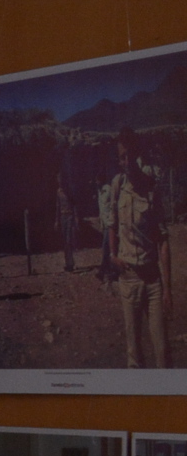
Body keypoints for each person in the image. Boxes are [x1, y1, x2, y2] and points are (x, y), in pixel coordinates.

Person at [99, 132, 169, 368]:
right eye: (121, 157)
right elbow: (111, 222)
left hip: (152, 282)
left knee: (162, 350)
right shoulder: (117, 186)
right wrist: (112, 256)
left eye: (129, 155)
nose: (126, 161)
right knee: (134, 353)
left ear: (139, 155)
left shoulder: (151, 188)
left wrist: (168, 289)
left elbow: (163, 239)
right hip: (128, 281)